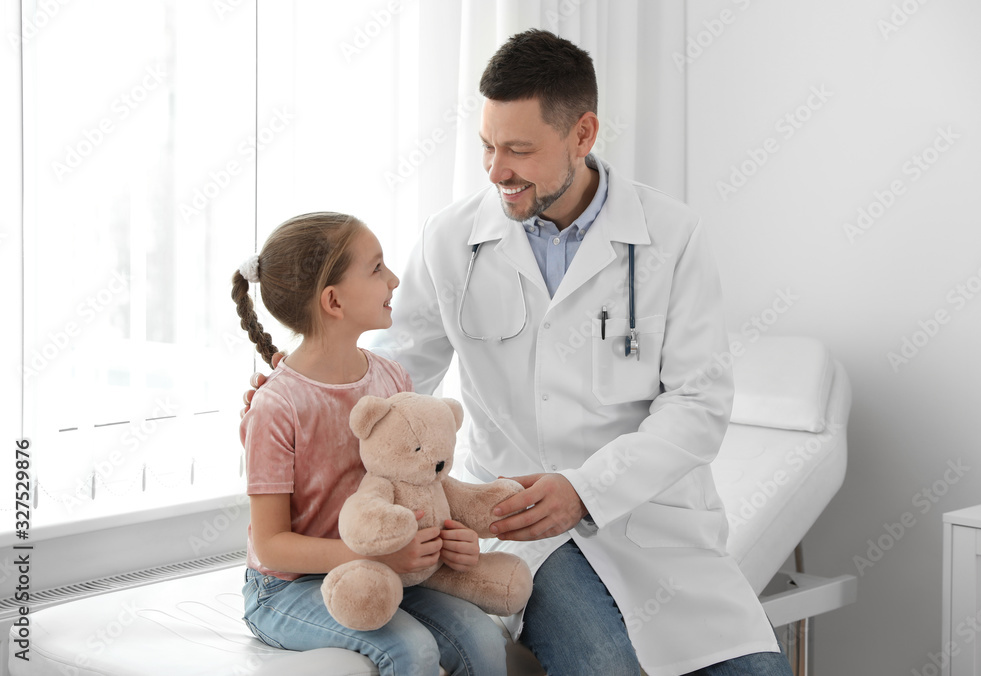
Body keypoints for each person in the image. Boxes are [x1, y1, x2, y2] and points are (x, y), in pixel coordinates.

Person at [246, 31, 793, 676]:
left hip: (653, 524)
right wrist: (304, 394)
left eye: (519, 150)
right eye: (487, 146)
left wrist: (586, 491)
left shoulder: (670, 238)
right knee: (605, 664)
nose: (496, 169)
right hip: (518, 525)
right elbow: (395, 378)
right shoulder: (454, 239)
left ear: (583, 134)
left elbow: (699, 405)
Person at [233, 212, 507, 676]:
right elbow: (272, 544)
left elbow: (419, 480)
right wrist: (370, 553)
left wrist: (449, 534)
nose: (395, 280)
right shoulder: (277, 405)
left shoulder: (392, 378)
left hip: (386, 571)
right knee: (410, 650)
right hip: (288, 589)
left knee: (482, 638)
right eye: (377, 268)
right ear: (334, 300)